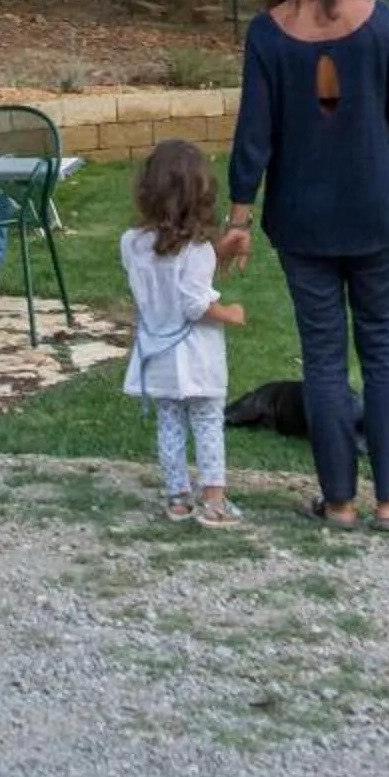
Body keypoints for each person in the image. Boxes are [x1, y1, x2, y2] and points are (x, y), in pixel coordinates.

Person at [221, 0, 389, 530]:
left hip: (302, 219)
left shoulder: (267, 33)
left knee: (324, 357)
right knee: (384, 349)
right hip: (375, 211)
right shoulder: (381, 21)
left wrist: (238, 215)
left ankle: (337, 501)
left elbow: (254, 136)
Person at [121, 138, 247, 527]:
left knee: (170, 422)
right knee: (207, 420)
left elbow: (164, 280)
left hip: (156, 352)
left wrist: (217, 257)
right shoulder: (197, 251)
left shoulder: (131, 243)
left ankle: (178, 497)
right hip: (196, 356)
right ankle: (214, 499)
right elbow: (195, 304)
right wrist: (230, 312)